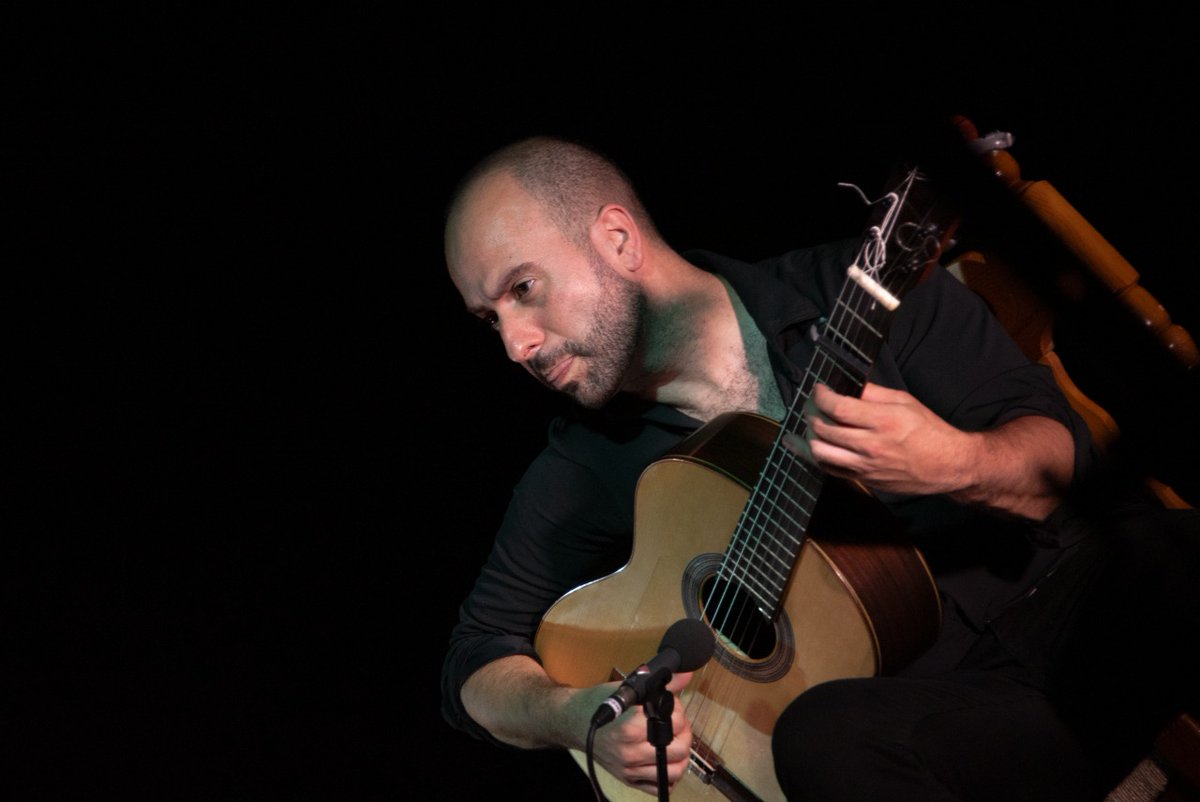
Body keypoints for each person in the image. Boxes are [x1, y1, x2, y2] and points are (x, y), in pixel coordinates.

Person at [438, 134, 1190, 801]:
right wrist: (579, 720)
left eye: (522, 290)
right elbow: (474, 664)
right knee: (819, 739)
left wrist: (957, 462)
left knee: (1170, 547)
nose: (515, 345)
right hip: (946, 723)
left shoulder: (860, 294)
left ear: (616, 238)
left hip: (1074, 623)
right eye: (489, 319)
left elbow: (1067, 459)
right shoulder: (582, 467)